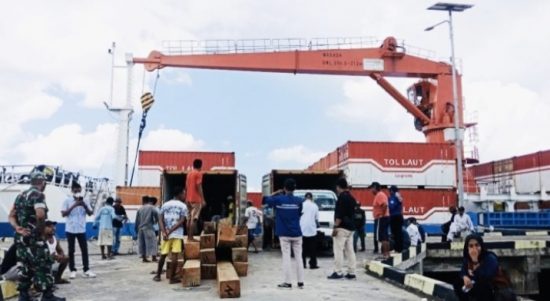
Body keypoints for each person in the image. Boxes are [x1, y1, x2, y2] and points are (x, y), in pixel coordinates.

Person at [9, 171, 65, 301]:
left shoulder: (20, 196)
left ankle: (23, 295)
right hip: (34, 237)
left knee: (25, 265)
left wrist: (17, 227)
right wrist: (40, 232)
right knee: (43, 263)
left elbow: (11, 215)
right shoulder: (38, 195)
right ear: (43, 182)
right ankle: (47, 295)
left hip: (21, 237)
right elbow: (40, 215)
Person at [264, 178, 304, 289]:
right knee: (299, 257)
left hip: (284, 233)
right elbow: (299, 213)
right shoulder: (299, 201)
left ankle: (287, 282)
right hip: (297, 233)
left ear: (284, 188)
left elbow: (265, 200)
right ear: (294, 189)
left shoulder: (278, 199)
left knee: (286, 258)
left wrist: (276, 192)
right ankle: (300, 282)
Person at [453, 234, 516, 301]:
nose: (474, 249)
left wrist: (475, 261)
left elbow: (486, 276)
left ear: (481, 246)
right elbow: (463, 271)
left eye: (477, 245)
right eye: (471, 246)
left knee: (482, 285)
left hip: (496, 290)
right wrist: (464, 277)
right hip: (478, 288)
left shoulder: (490, 258)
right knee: (458, 282)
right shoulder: (467, 259)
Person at [61, 182, 96, 279]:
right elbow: (63, 214)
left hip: (81, 229)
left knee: (84, 250)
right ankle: (72, 270)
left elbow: (90, 213)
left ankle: (86, 269)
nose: (77, 192)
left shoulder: (85, 200)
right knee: (71, 250)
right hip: (70, 229)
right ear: (72, 191)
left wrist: (83, 204)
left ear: (81, 190)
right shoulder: (67, 200)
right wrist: (75, 205)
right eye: (75, 190)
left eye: (79, 190)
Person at [154, 187, 188, 283]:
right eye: (184, 193)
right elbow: (181, 221)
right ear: (179, 194)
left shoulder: (165, 204)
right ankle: (172, 278)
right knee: (174, 256)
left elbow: (160, 219)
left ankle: (158, 275)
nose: (185, 196)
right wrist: (170, 231)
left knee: (163, 255)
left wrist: (164, 232)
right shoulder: (183, 206)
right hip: (177, 234)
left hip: (165, 234)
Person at [328, 178, 357, 280]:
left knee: (338, 250)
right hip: (351, 228)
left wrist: (335, 226)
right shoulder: (351, 197)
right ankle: (352, 272)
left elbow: (339, 214)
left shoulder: (341, 198)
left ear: (339, 187)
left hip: (342, 228)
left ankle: (338, 272)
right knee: (350, 251)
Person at [44, 220, 70, 284]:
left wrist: (61, 255)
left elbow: (60, 250)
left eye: (54, 226)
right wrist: (53, 257)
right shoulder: (41, 239)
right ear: (43, 228)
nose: (53, 228)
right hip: (42, 264)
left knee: (66, 258)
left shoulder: (55, 238)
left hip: (52, 261)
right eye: (50, 227)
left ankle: (58, 279)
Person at [185, 159, 205, 242]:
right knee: (194, 219)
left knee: (189, 219)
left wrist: (186, 197)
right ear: (200, 165)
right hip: (196, 199)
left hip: (188, 199)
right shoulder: (198, 173)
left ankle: (188, 236)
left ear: (193, 165)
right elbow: (199, 186)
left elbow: (186, 187)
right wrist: (202, 199)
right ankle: (191, 237)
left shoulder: (189, 174)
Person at [135, 196, 159, 262]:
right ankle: (154, 258)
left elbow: (137, 220)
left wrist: (136, 230)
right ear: (148, 200)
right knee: (153, 242)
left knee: (142, 244)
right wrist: (155, 221)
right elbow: (157, 215)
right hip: (149, 227)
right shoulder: (151, 207)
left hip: (140, 228)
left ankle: (144, 258)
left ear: (143, 201)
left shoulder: (140, 209)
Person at [370, 181, 390, 260]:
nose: (371, 191)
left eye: (371, 188)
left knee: (382, 237)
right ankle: (387, 254)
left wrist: (381, 215)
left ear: (375, 188)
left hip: (381, 218)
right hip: (384, 218)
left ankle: (385, 254)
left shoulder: (379, 195)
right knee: (385, 236)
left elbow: (384, 205)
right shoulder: (381, 195)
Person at [300, 192, 319, 269]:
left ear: (305, 198)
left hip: (302, 229)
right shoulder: (315, 206)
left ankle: (303, 264)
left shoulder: (301, 205)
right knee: (313, 249)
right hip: (312, 230)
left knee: (302, 248)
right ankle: (313, 264)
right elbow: (316, 218)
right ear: (311, 198)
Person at [388, 185, 404, 253]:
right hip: (399, 216)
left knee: (395, 233)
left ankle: (397, 249)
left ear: (392, 191)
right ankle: (399, 248)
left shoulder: (393, 197)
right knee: (399, 233)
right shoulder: (398, 196)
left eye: (389, 191)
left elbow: (391, 206)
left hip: (394, 217)